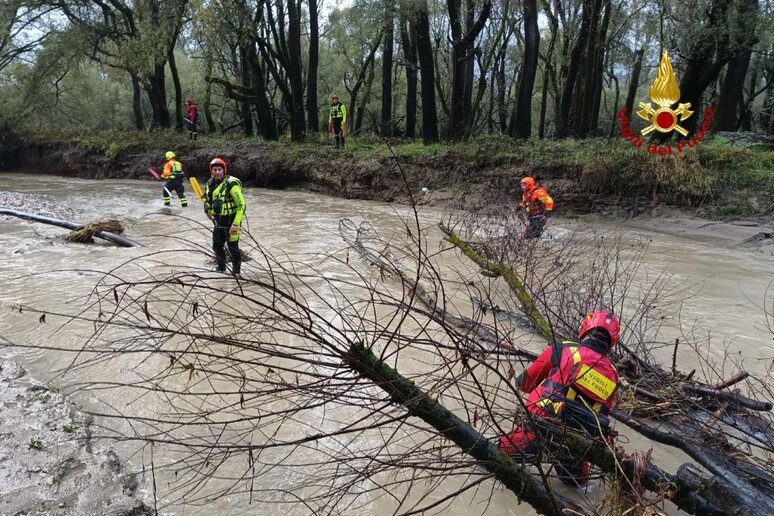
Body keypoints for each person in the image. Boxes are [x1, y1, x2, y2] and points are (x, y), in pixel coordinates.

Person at [498, 310, 620, 487]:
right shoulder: (613, 374)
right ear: (612, 341)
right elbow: (603, 415)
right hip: (578, 440)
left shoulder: (563, 349)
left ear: (586, 329)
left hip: (541, 426)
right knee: (578, 487)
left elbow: (524, 385)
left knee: (492, 459)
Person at [203, 157, 246, 276]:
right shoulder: (210, 184)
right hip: (219, 221)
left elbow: (241, 205)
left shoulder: (231, 184)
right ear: (211, 171)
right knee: (216, 246)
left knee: (233, 247)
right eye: (215, 170)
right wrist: (207, 210)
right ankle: (221, 268)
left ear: (224, 170)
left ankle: (236, 272)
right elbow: (208, 200)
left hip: (231, 220)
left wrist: (236, 224)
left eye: (219, 170)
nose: (217, 172)